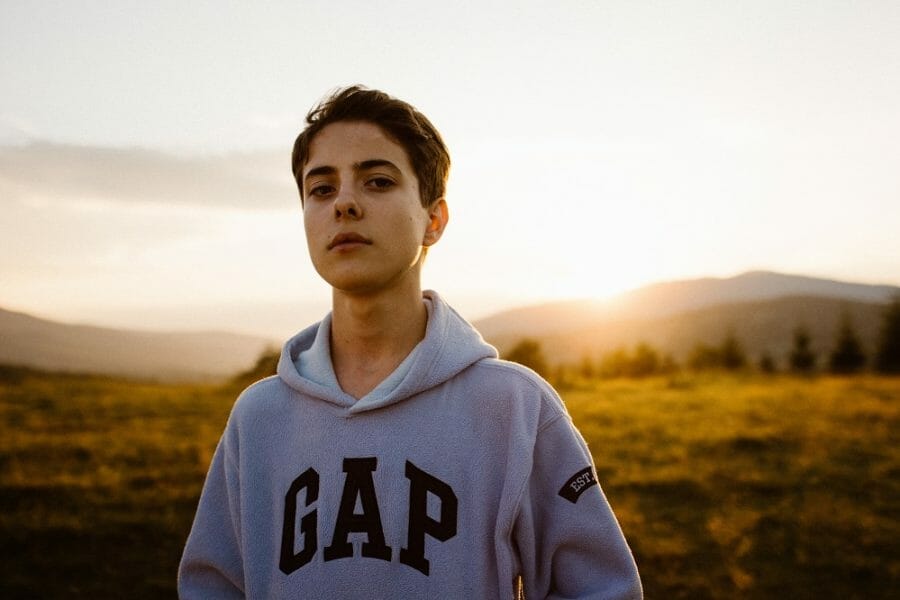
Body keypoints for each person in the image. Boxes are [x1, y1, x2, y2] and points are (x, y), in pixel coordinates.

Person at [178, 86, 642, 599]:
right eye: (322, 189)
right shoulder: (258, 417)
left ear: (434, 220)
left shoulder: (513, 407)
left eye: (377, 181)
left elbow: (600, 589)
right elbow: (212, 586)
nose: (346, 204)